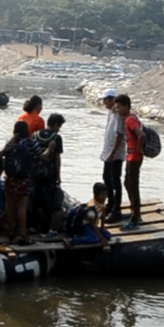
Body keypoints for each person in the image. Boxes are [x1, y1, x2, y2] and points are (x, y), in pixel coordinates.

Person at [0, 120, 40, 245]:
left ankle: (10, 232)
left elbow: (2, 155)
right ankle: (23, 234)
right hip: (24, 178)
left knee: (9, 205)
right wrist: (50, 149)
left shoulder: (10, 142)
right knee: (22, 206)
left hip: (10, 177)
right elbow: (40, 156)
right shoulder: (31, 142)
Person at [31, 113, 65, 236]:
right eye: (59, 126)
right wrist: (58, 176)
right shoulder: (56, 138)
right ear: (55, 125)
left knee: (35, 200)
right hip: (48, 175)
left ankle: (33, 226)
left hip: (35, 174)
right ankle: (45, 230)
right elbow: (57, 158)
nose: (59, 129)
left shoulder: (35, 135)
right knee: (48, 203)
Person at [114, 94, 145, 230]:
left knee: (133, 186)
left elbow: (141, 135)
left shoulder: (129, 120)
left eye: (119, 107)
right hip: (132, 157)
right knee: (128, 183)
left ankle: (135, 218)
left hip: (134, 158)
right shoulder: (130, 117)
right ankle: (134, 211)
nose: (117, 110)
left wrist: (138, 149)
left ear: (127, 106)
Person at [99, 88, 126, 223]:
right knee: (106, 178)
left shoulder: (119, 115)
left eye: (105, 100)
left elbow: (120, 135)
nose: (104, 102)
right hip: (108, 152)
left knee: (115, 181)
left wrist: (113, 153)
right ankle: (110, 204)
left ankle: (116, 209)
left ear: (111, 100)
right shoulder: (111, 113)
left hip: (115, 154)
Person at [64, 183, 113, 248]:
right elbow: (92, 225)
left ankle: (89, 236)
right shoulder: (91, 208)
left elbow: (102, 217)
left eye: (106, 194)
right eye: (102, 195)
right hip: (85, 226)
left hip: (92, 226)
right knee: (95, 238)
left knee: (108, 235)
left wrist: (102, 228)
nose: (105, 197)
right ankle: (73, 240)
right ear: (96, 195)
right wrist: (101, 238)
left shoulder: (101, 204)